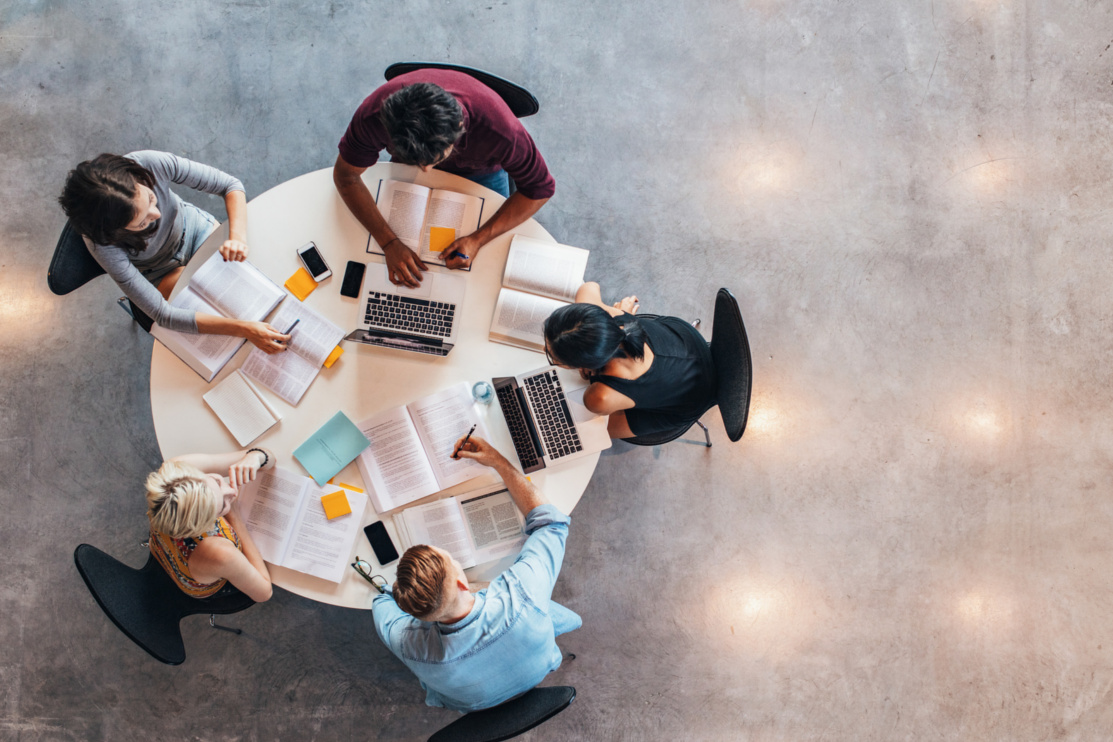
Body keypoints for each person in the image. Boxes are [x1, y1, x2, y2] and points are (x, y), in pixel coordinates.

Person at [371, 435, 580, 712]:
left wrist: (395, 592)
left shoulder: (408, 644)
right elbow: (552, 524)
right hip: (540, 666)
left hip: (473, 704)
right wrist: (498, 462)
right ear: (461, 581)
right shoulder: (522, 595)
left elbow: (381, 603)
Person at [333, 69, 556, 287]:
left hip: (483, 171)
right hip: (412, 166)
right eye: (419, 162)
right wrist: (389, 242)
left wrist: (478, 239)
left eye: (434, 159)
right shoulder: (374, 115)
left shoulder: (502, 132)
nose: (426, 171)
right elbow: (346, 176)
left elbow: (540, 190)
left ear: (460, 128)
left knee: (487, 264)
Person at [58, 151, 290, 353]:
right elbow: (163, 314)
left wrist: (237, 238)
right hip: (158, 272)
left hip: (198, 232)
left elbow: (230, 185)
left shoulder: (148, 163)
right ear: (114, 232)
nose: (157, 215)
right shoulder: (102, 244)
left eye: (151, 198)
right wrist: (244, 330)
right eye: (142, 222)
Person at [543, 282, 717, 439]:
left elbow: (597, 399)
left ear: (581, 365)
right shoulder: (610, 316)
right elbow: (589, 287)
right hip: (688, 342)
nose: (544, 350)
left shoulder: (598, 397)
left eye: (552, 358)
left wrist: (592, 372)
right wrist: (623, 314)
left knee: (590, 432)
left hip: (692, 400)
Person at [145, 448, 275, 602]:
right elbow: (264, 593)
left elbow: (269, 457)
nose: (232, 492)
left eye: (217, 481)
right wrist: (235, 518)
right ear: (205, 526)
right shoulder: (220, 552)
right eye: (222, 506)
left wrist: (256, 457)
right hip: (202, 582)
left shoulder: (177, 471)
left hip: (162, 546)